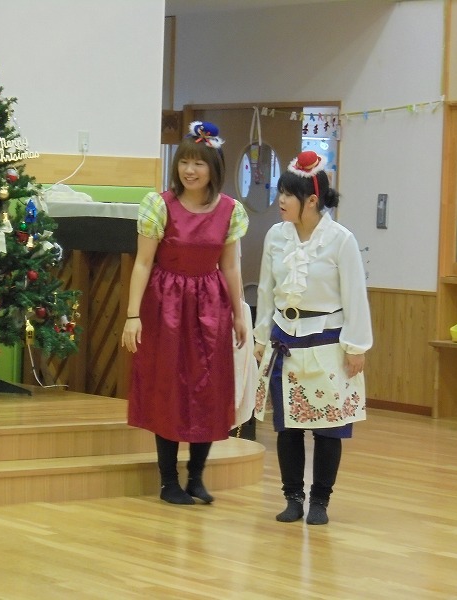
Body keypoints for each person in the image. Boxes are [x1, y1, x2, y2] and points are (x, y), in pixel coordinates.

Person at [122, 121, 249, 505]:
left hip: (210, 305)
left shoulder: (230, 210)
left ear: (214, 167)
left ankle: (196, 477)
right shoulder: (159, 206)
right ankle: (168, 481)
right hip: (166, 304)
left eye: (199, 163)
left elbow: (230, 266)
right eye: (184, 162)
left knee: (208, 387)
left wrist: (239, 313)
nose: (189, 170)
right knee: (168, 387)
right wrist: (132, 315)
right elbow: (143, 263)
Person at [252, 150, 372, 525]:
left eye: (289, 194)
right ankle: (292, 498)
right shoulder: (276, 236)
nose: (281, 200)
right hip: (284, 339)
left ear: (312, 200)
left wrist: (356, 347)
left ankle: (320, 500)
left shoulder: (340, 240)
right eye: (281, 192)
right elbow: (266, 292)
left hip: (328, 341)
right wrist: (260, 337)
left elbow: (356, 295)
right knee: (287, 425)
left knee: (328, 427)